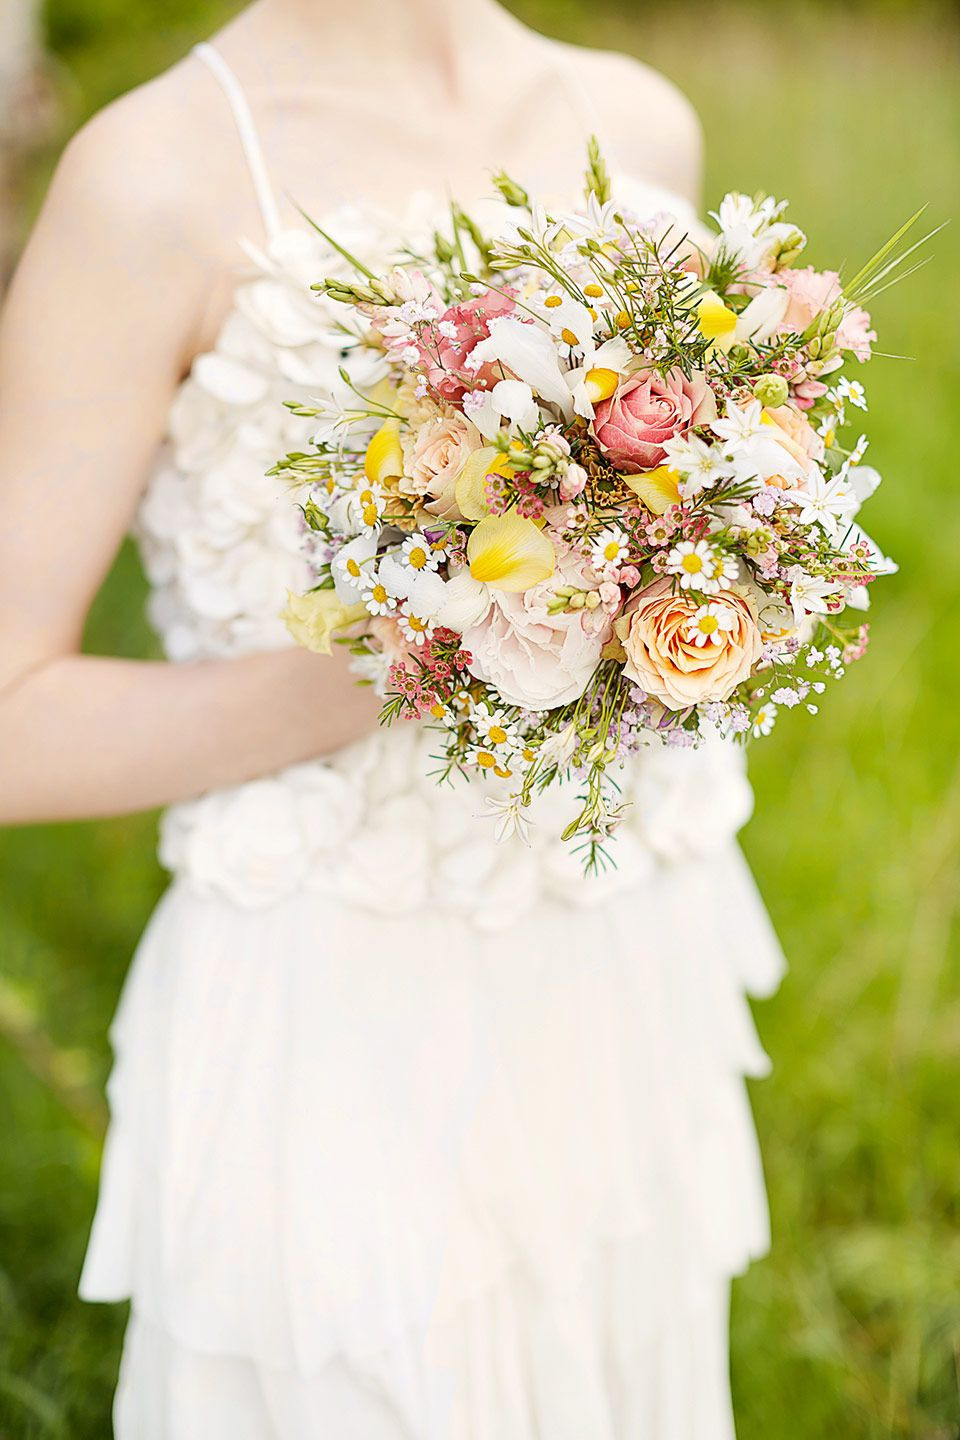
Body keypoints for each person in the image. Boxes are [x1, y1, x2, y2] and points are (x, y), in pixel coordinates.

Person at [0, 1, 783, 1434]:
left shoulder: (643, 120)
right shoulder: (157, 174)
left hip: (625, 959)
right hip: (341, 1011)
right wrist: (407, 657)